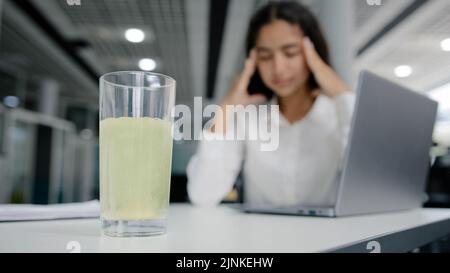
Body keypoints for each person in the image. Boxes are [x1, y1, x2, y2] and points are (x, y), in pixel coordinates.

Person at [187, 1, 355, 207]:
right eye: (265, 56)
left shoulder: (337, 115)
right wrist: (226, 107)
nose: (278, 68)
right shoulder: (249, 118)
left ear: (313, 54)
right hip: (260, 237)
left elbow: (368, 181)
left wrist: (341, 93)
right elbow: (202, 195)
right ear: (254, 60)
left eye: (291, 52)